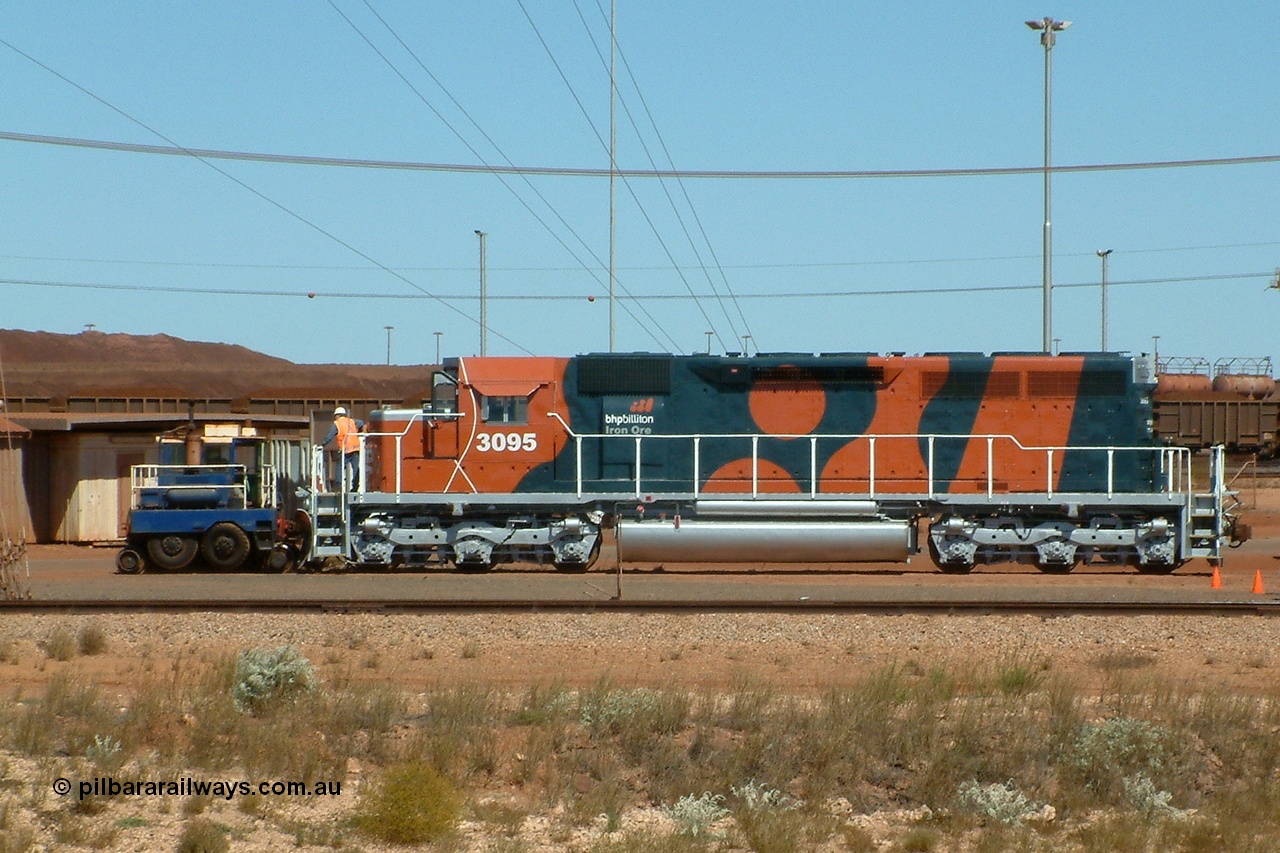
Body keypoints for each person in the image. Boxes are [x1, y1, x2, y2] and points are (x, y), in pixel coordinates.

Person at [321, 406, 365, 490]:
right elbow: (361, 423)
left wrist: (323, 444)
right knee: (356, 468)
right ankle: (355, 486)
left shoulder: (337, 423)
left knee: (340, 467)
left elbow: (329, 436)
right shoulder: (351, 421)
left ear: (337, 415)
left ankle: (338, 485)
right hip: (356, 448)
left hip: (346, 449)